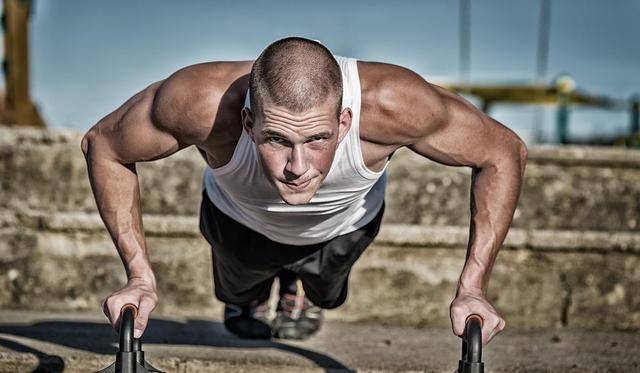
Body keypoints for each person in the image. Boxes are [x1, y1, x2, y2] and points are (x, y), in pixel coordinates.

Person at [82, 37, 526, 346]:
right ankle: (252, 296)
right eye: (277, 140)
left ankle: (304, 290)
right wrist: (138, 275)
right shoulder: (203, 104)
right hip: (239, 221)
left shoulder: (393, 104)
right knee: (238, 301)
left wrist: (474, 285)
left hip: (342, 228)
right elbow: (103, 145)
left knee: (325, 292)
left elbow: (503, 152)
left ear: (346, 122)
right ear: (249, 122)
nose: (297, 168)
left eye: (317, 139)